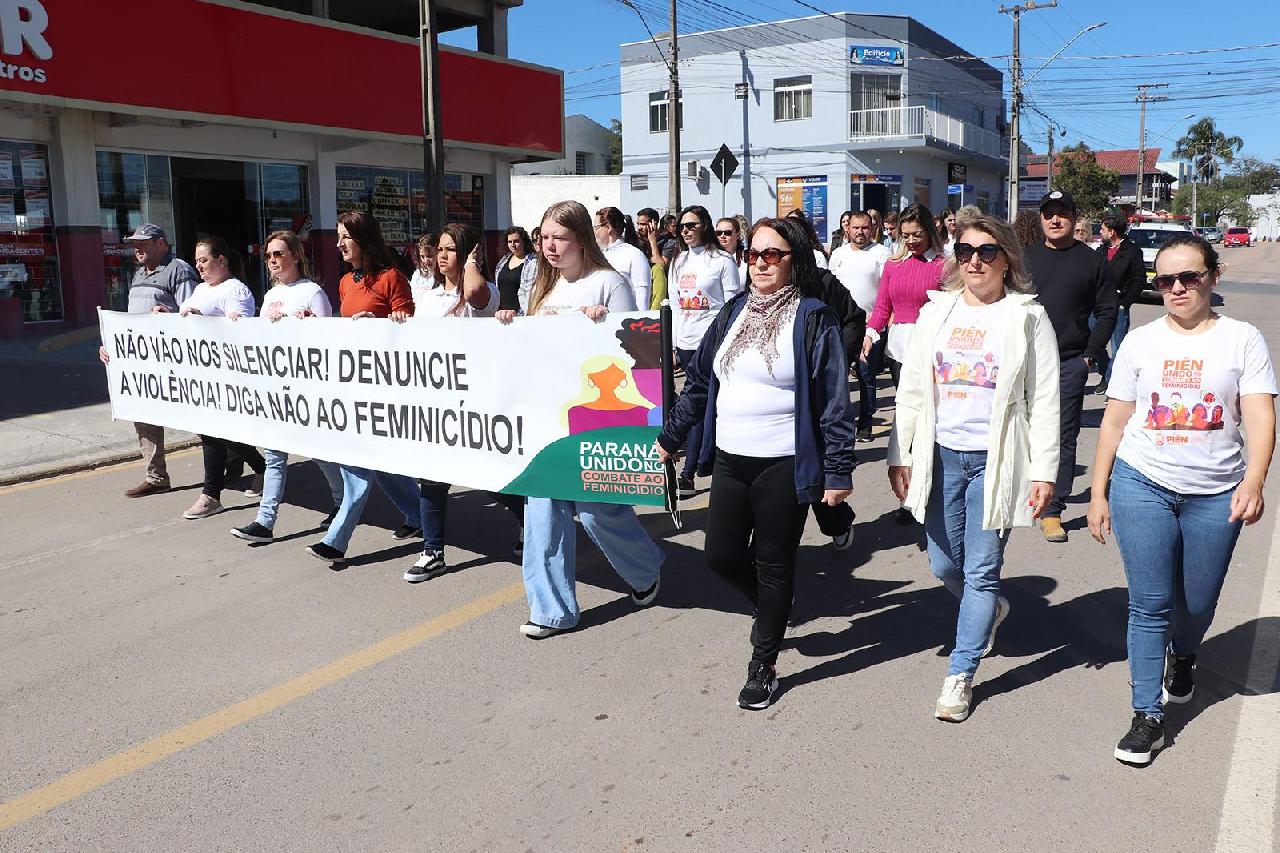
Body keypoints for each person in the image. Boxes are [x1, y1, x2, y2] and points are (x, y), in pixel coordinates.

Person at [1086, 233, 1276, 765]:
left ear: (1212, 277)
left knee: (1195, 604)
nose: (1176, 287)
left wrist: (1254, 480)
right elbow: (1116, 420)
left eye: (1189, 276)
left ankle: (1185, 653)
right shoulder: (1141, 342)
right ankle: (1147, 715)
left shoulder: (1242, 339)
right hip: (1142, 482)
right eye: (1165, 279)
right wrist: (1098, 492)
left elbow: (1260, 415)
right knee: (1148, 606)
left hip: (1216, 492)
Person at [657, 215, 856, 710]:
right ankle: (776, 605)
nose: (761, 262)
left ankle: (763, 663)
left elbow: (833, 402)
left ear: (794, 261)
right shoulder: (733, 312)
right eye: (754, 254)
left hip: (782, 464)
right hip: (730, 458)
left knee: (774, 563)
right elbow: (701, 381)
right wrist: (672, 434)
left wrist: (837, 471)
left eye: (773, 254)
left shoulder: (813, 317)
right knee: (719, 557)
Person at [888, 213, 1060, 723]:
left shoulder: (1027, 316)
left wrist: (1043, 471)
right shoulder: (936, 312)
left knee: (982, 571)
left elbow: (1046, 397)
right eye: (965, 252)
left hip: (997, 458)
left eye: (987, 252)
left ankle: (960, 675)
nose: (975, 261)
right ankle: (989, 609)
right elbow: (913, 389)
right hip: (940, 456)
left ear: (1007, 259)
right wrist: (900, 453)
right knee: (943, 564)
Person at [495, 200, 663, 639]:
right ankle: (551, 610)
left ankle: (645, 571)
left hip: (597, 417)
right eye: (544, 237)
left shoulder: (609, 282)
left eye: (559, 237)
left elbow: (633, 347)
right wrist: (511, 322)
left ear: (581, 238)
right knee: (543, 513)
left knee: (595, 512)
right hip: (550, 416)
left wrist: (602, 326)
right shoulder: (544, 289)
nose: (550, 246)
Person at [305, 211, 423, 564]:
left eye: (345, 237)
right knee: (380, 461)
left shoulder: (392, 278)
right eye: (338, 237)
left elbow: (412, 331)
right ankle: (419, 515)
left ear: (364, 240)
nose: (338, 244)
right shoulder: (345, 282)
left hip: (386, 387)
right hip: (357, 384)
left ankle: (336, 539)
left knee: (358, 461)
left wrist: (387, 323)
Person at [410, 223, 524, 581]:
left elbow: (473, 290)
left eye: (451, 250)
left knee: (489, 477)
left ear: (468, 254)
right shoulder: (427, 298)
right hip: (436, 402)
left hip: (475, 403)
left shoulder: (484, 291)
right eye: (439, 249)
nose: (441, 256)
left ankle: (529, 522)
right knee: (431, 478)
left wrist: (472, 262)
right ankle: (433, 550)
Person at [229, 230, 344, 544]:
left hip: (304, 388)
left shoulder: (312, 292)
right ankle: (265, 521)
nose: (272, 261)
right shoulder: (269, 295)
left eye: (278, 254)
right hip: (274, 387)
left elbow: (326, 341)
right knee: (274, 455)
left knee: (316, 451)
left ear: (295, 255)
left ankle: (341, 499)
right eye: (268, 256)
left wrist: (305, 322)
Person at [1023, 190, 1117, 543]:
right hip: (1025, 361)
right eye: (1049, 214)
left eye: (1062, 214)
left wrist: (1090, 355)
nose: (1055, 220)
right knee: (1020, 429)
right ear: (1041, 218)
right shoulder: (1024, 257)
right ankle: (1022, 495)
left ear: (1074, 218)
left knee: (1062, 435)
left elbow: (1108, 310)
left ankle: (1053, 508)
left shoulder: (1092, 261)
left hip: (1068, 362)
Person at [153, 236, 266, 521]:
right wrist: (167, 314)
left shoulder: (235, 289)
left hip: (227, 377)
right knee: (215, 432)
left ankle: (211, 495)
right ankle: (262, 467)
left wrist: (203, 318)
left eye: (204, 260)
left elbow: (237, 325)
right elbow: (186, 318)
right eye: (197, 261)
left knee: (213, 433)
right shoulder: (202, 289)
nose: (199, 266)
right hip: (201, 378)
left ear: (221, 260)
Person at [99, 224, 199, 498]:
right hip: (144, 365)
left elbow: (194, 315)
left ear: (162, 243)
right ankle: (156, 477)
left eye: (143, 243)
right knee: (143, 417)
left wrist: (169, 314)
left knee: (197, 416)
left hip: (175, 362)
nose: (137, 248)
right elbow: (133, 322)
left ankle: (231, 456)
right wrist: (113, 345)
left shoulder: (179, 270)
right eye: (134, 244)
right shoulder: (139, 274)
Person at [669, 204, 744, 497]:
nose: (685, 231)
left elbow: (733, 307)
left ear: (705, 226)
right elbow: (674, 304)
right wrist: (673, 344)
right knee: (691, 404)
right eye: (681, 227)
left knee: (699, 406)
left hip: (710, 342)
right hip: (685, 342)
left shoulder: (722, 261)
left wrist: (726, 342)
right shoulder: (678, 261)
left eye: (691, 225)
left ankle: (689, 473)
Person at [829, 210, 891, 441]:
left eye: (865, 227)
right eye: (856, 227)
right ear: (848, 228)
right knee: (838, 375)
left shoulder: (882, 253)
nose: (860, 232)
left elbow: (887, 291)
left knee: (865, 374)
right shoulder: (838, 254)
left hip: (871, 324)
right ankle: (840, 422)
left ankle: (865, 423)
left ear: (872, 228)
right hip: (842, 325)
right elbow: (831, 288)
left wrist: (878, 319)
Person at [1094, 215, 1145, 396]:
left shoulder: (1131, 251)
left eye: (1102, 229)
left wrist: (1125, 303)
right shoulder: (1100, 251)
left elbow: (1139, 280)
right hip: (1096, 306)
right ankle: (1105, 370)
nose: (1100, 232)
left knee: (1118, 348)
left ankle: (1108, 382)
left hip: (1118, 306)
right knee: (1093, 344)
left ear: (1112, 231)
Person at [595, 206, 651, 309]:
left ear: (608, 227)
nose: (594, 233)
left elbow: (642, 299)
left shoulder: (634, 255)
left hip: (624, 322)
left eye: (596, 228)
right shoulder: (597, 256)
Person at [494, 226, 535, 312]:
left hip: (522, 314)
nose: (512, 245)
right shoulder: (503, 261)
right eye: (510, 242)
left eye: (516, 241)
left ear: (524, 242)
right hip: (501, 314)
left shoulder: (533, 262)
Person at [635, 207, 673, 272]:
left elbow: (661, 266)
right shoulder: (637, 242)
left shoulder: (668, 243)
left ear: (653, 224)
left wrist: (652, 241)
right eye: (638, 224)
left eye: (643, 224)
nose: (639, 228)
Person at [517, 225, 541, 314]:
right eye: (535, 241)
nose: (538, 243)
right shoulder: (530, 261)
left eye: (541, 239)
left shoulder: (555, 262)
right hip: (528, 311)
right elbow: (523, 289)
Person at [409, 232, 438, 306]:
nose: (426, 260)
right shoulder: (418, 274)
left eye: (430, 256)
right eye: (422, 256)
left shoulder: (444, 274)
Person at [716, 216, 747, 283]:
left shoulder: (746, 258)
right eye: (719, 233)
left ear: (738, 235)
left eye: (727, 233)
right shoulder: (709, 258)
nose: (722, 236)